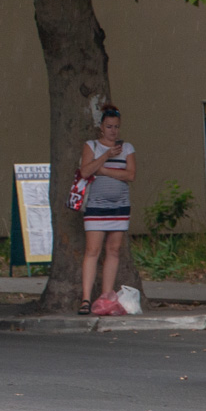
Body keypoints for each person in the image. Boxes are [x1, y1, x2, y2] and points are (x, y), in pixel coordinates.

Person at [77, 104, 136, 315]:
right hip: (96, 206)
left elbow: (130, 175)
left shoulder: (127, 148)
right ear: (101, 127)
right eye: (109, 126)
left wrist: (103, 170)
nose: (113, 131)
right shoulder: (91, 146)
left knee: (114, 250)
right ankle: (85, 299)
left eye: (116, 127)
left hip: (119, 206)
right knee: (92, 250)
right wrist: (105, 157)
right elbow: (85, 171)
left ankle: (106, 297)